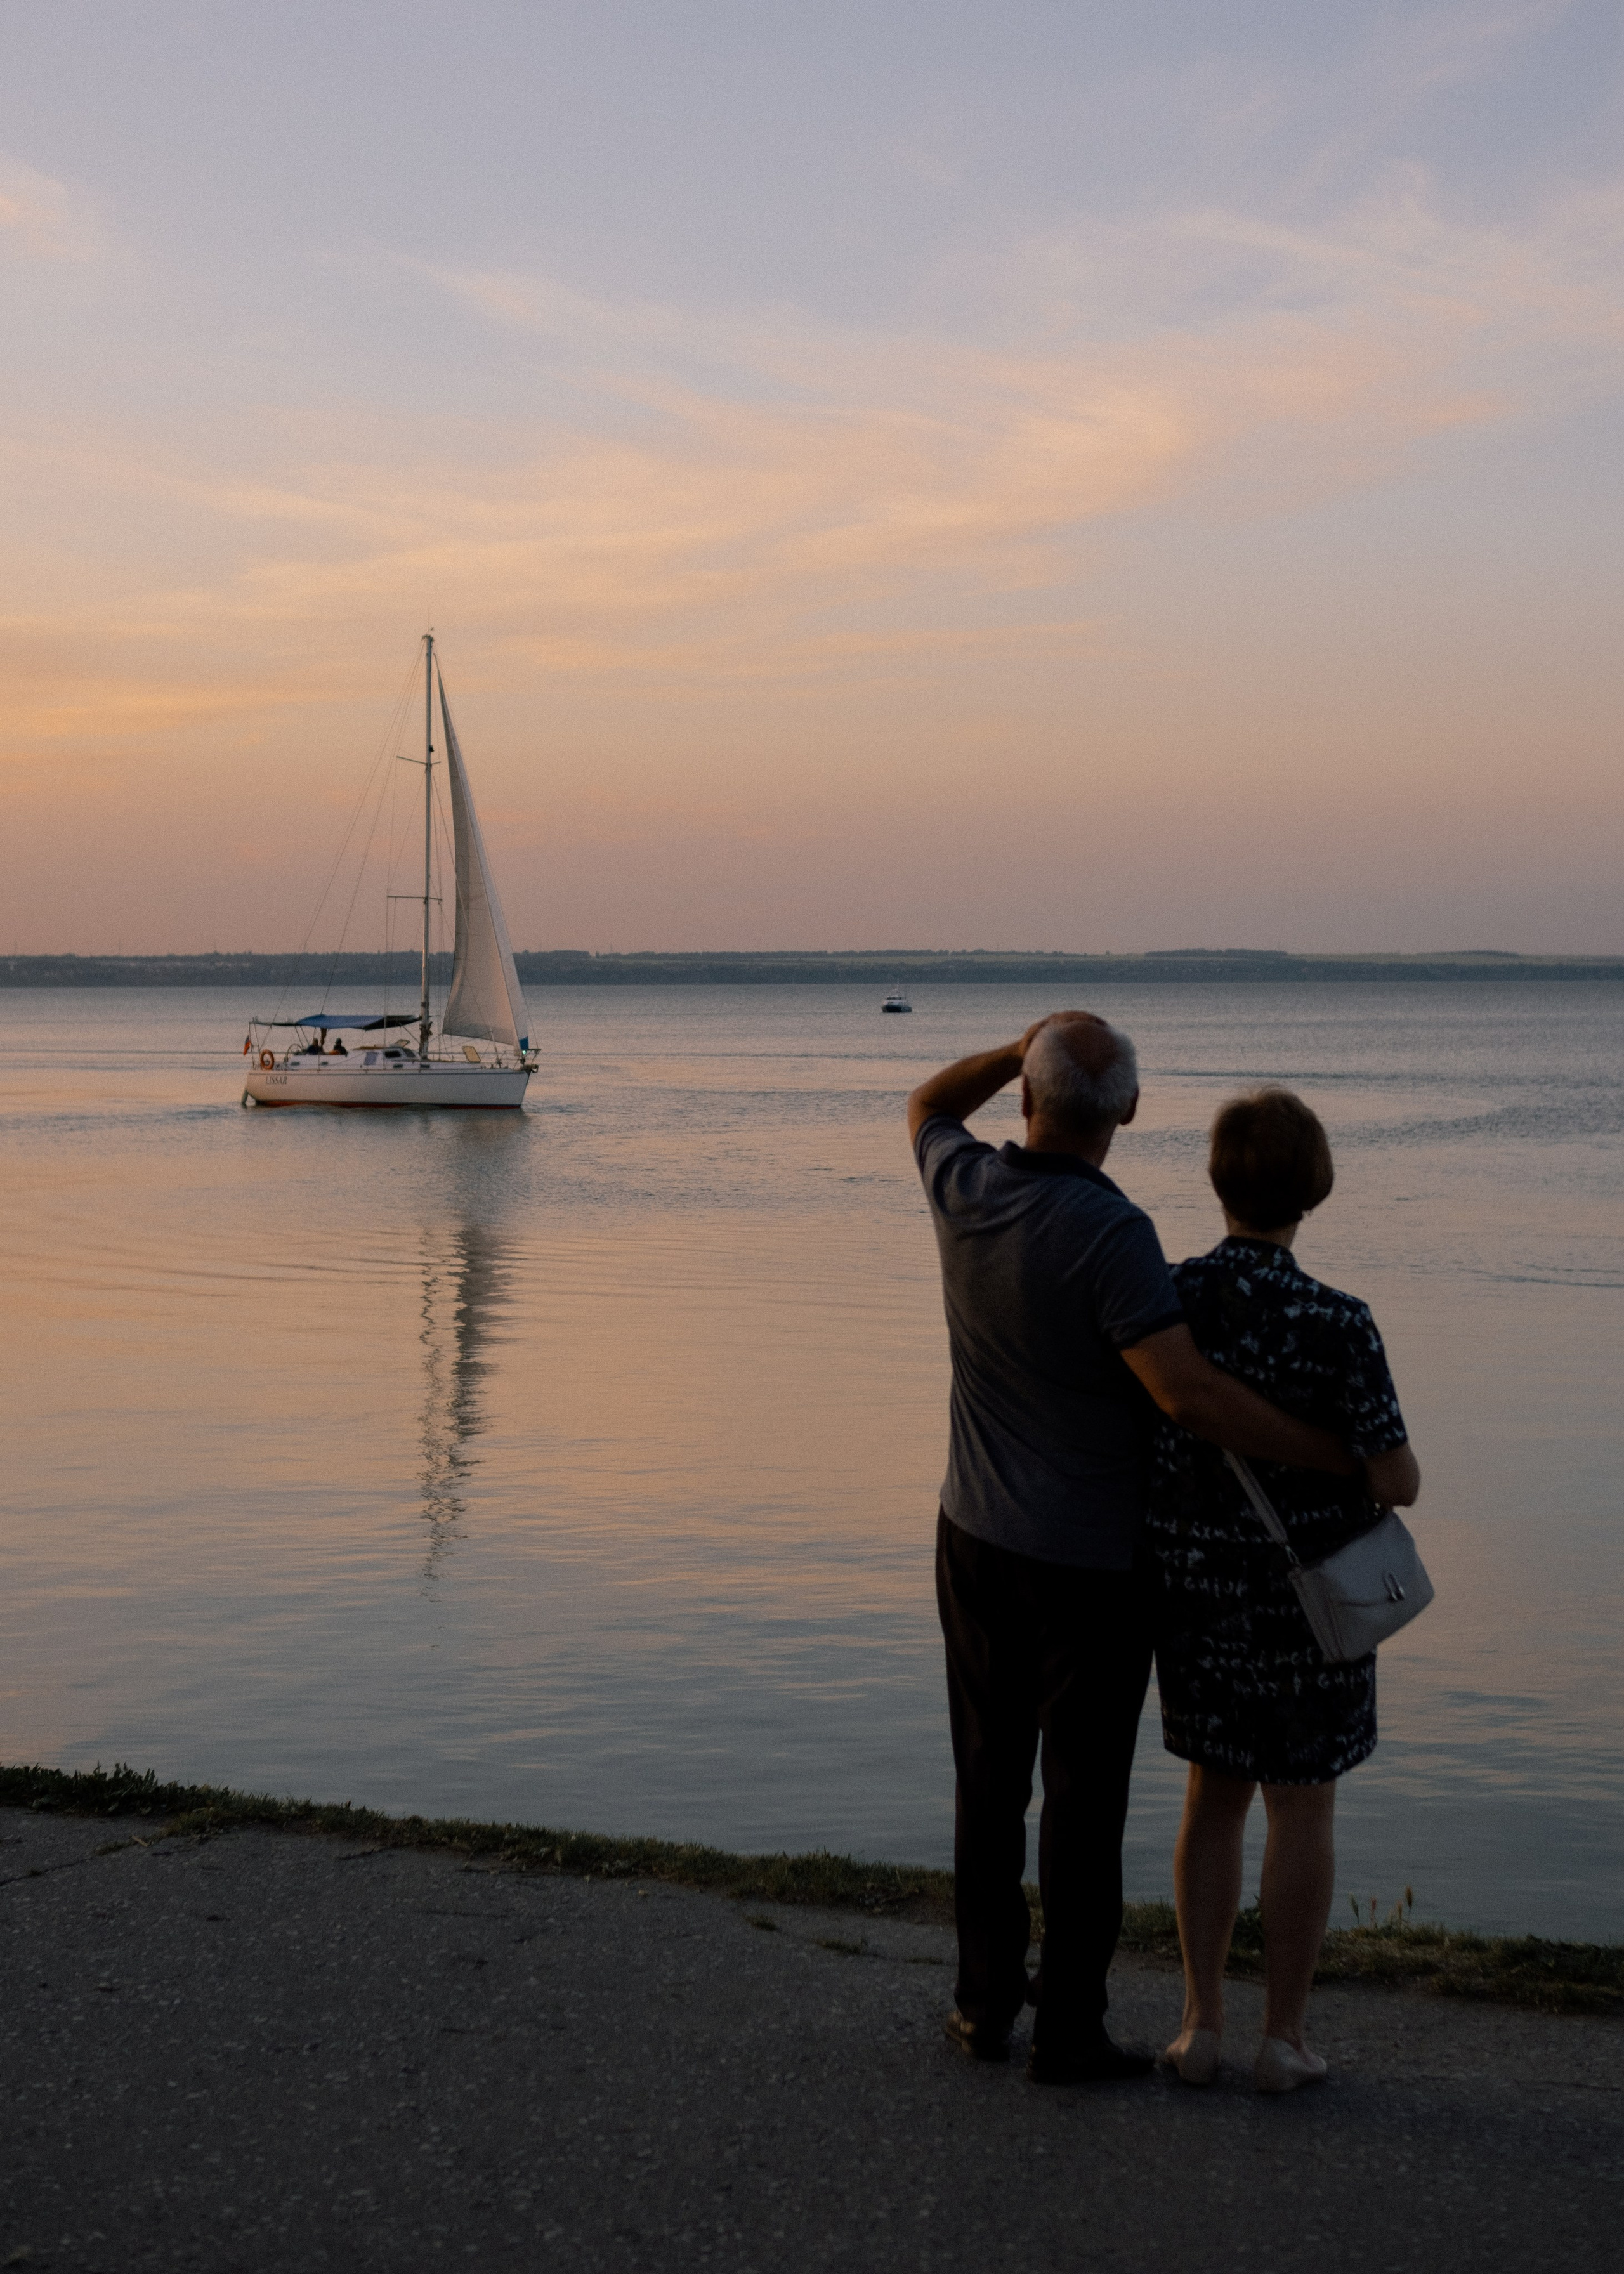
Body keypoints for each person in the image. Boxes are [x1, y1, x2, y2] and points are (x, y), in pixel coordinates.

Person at [909, 1016, 1359, 2086]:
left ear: (1025, 1096)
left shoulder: (963, 1184)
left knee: (987, 1779)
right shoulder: (1114, 1234)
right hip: (1092, 1565)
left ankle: (983, 2004)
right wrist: (1330, 1456)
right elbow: (1184, 1391)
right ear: (1130, 1113)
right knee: (1083, 1797)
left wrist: (1015, 1047)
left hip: (973, 1534)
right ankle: (1066, 2027)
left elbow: (927, 1102)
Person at [1149, 1088, 1420, 2095]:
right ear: (1317, 1187)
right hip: (1316, 1603)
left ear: (1217, 1180)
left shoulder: (1163, 1299)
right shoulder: (1339, 1321)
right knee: (1303, 1806)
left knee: (1211, 1798)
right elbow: (1393, 1478)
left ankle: (1199, 2026)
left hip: (1195, 1590)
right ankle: (1284, 2036)